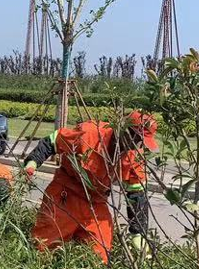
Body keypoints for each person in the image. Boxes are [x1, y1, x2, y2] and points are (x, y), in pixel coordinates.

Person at [24, 111, 157, 264]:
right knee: (44, 248)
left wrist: (138, 234)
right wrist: (33, 162)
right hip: (64, 195)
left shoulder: (134, 157)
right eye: (134, 138)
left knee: (100, 255)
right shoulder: (89, 134)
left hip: (96, 202)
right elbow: (52, 141)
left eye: (140, 141)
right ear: (122, 129)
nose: (135, 145)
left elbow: (136, 195)